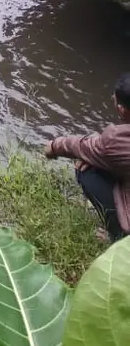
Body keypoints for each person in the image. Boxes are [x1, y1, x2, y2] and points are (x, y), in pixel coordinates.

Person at [45, 74, 130, 242]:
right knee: (94, 156)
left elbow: (77, 146)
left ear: (122, 109)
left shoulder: (115, 141)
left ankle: (118, 237)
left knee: (87, 169)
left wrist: (53, 146)